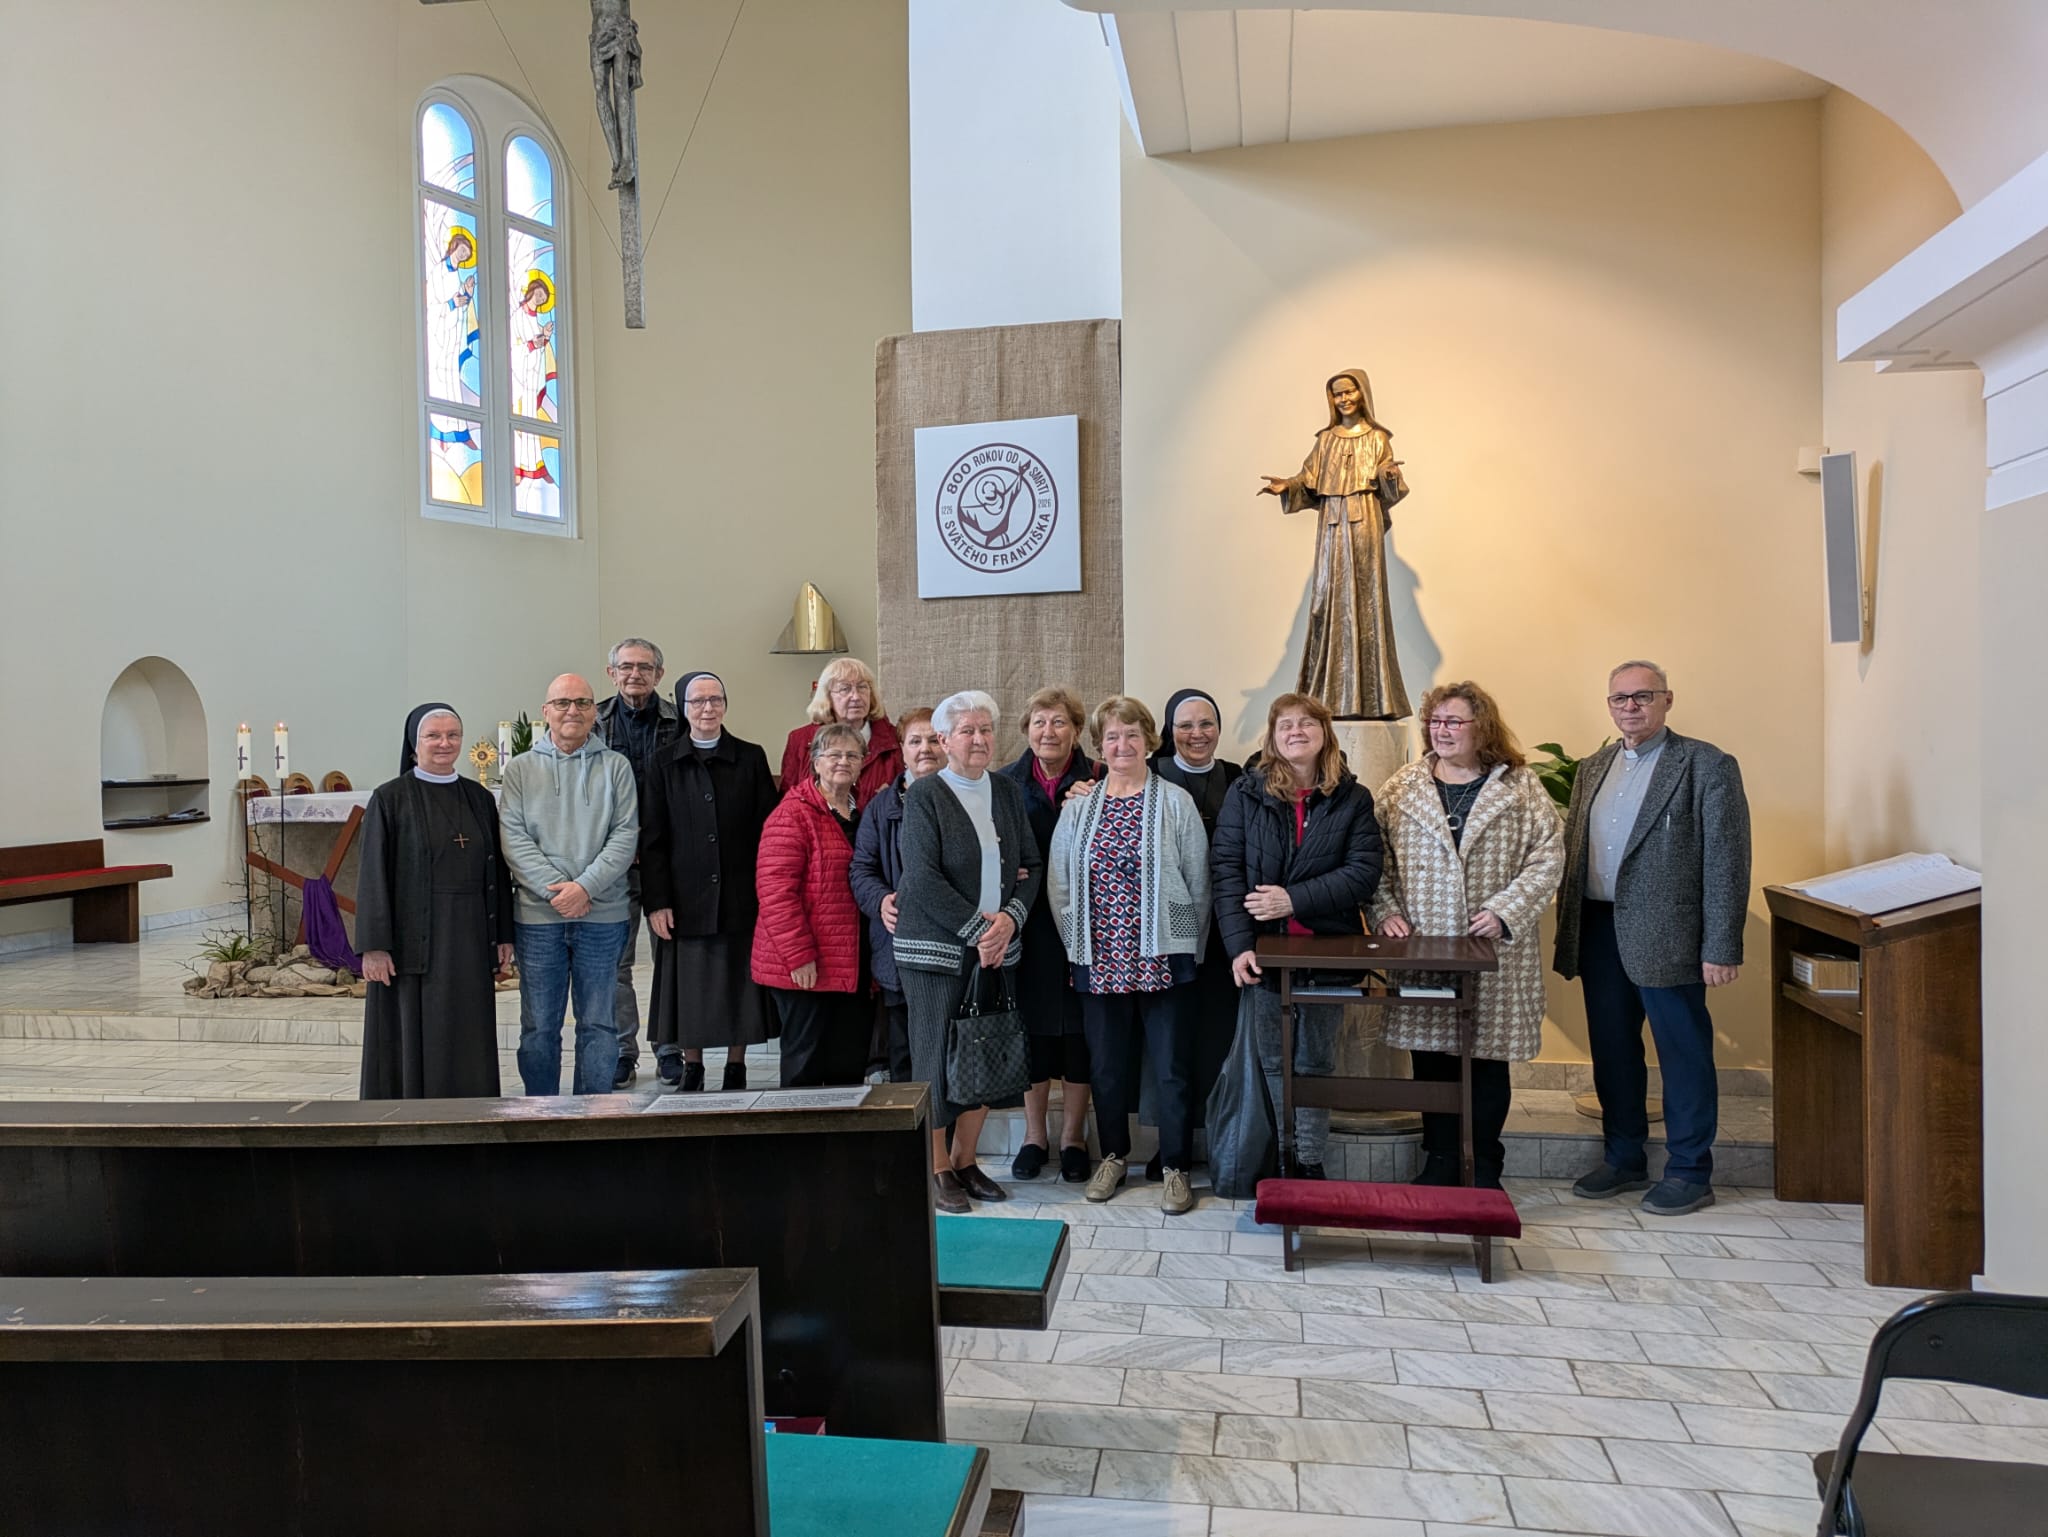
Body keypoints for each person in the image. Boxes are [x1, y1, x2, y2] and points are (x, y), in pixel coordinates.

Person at [1554, 661, 1751, 1217]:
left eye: (1643, 696)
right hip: (1599, 928)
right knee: (1613, 1050)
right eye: (1620, 698)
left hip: (1670, 935)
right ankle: (1623, 1158)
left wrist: (1721, 946)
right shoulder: (1592, 768)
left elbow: (1727, 862)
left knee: (1682, 1053)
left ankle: (1690, 1171)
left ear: (1667, 700)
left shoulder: (1706, 765)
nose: (1630, 707)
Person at [1370, 682, 1564, 1189]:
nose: (1443, 730)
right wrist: (1386, 911)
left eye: (1454, 721)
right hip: (1423, 947)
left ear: (1483, 727)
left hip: (1491, 948)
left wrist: (1505, 911)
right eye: (1436, 721)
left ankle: (1484, 1166)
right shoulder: (1403, 786)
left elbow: (1548, 856)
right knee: (1431, 1059)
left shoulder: (1520, 786)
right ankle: (1439, 1161)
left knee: (1485, 1060)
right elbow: (1376, 860)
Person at [1048, 696, 1211, 1215]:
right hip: (1099, 957)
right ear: (1100, 745)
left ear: (1149, 741)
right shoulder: (1078, 808)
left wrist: (1191, 947)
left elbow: (1198, 882)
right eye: (1113, 737)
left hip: (1164, 956)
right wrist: (1076, 945)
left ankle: (1176, 1168)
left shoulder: (1175, 802)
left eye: (1132, 734)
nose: (1123, 745)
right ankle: (1114, 1157)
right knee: (1107, 1067)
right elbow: (1059, 884)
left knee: (1171, 1068)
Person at [1211, 691, 1384, 1178]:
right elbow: (1226, 871)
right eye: (1285, 724)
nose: (1296, 732)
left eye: (1307, 723)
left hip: (1330, 950)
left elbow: (1364, 872)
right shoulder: (1246, 793)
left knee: (1316, 1062)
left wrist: (1293, 899)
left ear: (1325, 733)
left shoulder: (1353, 798)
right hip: (1266, 953)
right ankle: (1283, 1156)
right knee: (1272, 1059)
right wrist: (1239, 947)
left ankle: (1310, 1161)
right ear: (1272, 736)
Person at [895, 691, 1040, 1214]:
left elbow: (1031, 865)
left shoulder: (1006, 791)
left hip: (995, 951)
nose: (979, 739)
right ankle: (936, 1167)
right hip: (935, 953)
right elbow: (921, 878)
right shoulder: (925, 796)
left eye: (986, 730)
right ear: (943, 740)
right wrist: (981, 929)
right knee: (935, 1056)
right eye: (967, 731)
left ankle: (965, 1159)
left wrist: (1010, 921)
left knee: (985, 1052)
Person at [356, 703, 514, 1099]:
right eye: (433, 736)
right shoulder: (390, 798)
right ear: (414, 743)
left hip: (470, 936)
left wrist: (503, 936)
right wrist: (374, 947)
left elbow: (497, 872)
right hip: (413, 941)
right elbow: (372, 876)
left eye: (452, 735)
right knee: (415, 1033)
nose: (444, 743)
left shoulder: (479, 797)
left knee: (468, 1028)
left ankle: (471, 1110)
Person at [499, 673, 639, 1095]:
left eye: (582, 702)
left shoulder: (616, 767)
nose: (572, 711)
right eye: (562, 703)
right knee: (539, 1026)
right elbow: (513, 838)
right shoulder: (520, 769)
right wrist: (558, 891)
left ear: (595, 712)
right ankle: (541, 1114)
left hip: (603, 915)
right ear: (546, 712)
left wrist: (585, 888)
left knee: (599, 1024)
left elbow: (625, 835)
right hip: (539, 918)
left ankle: (591, 1115)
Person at [640, 670, 779, 1091]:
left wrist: (768, 893)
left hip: (741, 894)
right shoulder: (664, 761)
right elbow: (653, 839)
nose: (707, 708)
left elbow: (768, 828)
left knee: (740, 984)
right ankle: (693, 1065)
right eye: (698, 701)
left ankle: (736, 1065)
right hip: (685, 897)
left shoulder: (750, 757)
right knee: (691, 989)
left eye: (715, 699)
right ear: (683, 708)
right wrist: (656, 901)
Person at [1257, 368, 1412, 720]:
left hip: (1364, 525)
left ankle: (1373, 697)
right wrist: (1288, 486)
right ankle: (1328, 694)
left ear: (1362, 394)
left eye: (1348, 392)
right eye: (1337, 394)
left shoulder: (1377, 438)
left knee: (1366, 601)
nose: (1343, 399)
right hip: (1331, 526)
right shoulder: (1326, 440)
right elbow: (1309, 480)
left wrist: (1389, 476)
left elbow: (1388, 482)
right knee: (1328, 602)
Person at [1144, 687, 1245, 1179]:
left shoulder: (1239, 778)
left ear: (1219, 729)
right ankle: (1172, 1147)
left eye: (1206, 723)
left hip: (1226, 933)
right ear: (1170, 731)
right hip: (1170, 935)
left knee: (1219, 1040)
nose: (1197, 734)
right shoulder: (1150, 775)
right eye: (1185, 725)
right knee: (1169, 1047)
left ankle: (1223, 1143)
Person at [997, 686, 1097, 1183]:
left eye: (1059, 722)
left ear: (1076, 730)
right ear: (1026, 730)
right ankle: (1034, 1137)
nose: (1048, 732)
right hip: (1028, 927)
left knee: (1079, 1037)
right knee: (1032, 1035)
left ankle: (1073, 1137)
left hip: (1086, 928)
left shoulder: (1101, 777)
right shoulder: (1003, 784)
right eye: (1039, 722)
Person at [753, 724, 874, 1086]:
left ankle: (842, 1125)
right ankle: (802, 1126)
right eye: (833, 754)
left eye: (852, 755)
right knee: (804, 1065)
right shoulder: (792, 814)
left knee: (848, 1064)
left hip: (851, 960)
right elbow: (776, 893)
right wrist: (798, 955)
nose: (843, 762)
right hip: (807, 963)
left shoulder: (863, 812)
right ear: (815, 763)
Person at [595, 636, 678, 1087]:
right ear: (612, 673)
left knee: (671, 959)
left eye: (644, 667)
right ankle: (622, 1051)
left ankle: (670, 1048)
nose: (635, 675)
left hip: (667, 858)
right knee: (616, 963)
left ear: (659, 674)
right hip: (613, 860)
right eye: (626, 667)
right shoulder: (594, 721)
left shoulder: (679, 720)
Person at [850, 707, 946, 1084]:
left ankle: (949, 1126)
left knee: (948, 1055)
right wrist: (880, 900)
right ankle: (911, 1124)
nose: (926, 749)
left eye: (934, 740)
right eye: (915, 741)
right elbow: (861, 869)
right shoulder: (881, 808)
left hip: (952, 951)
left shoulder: (968, 799)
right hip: (899, 950)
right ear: (901, 750)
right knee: (904, 1055)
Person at [778, 657, 903, 810]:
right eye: (845, 689)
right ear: (827, 697)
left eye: (862, 687)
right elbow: (787, 803)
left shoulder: (894, 739)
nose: (856, 697)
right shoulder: (801, 740)